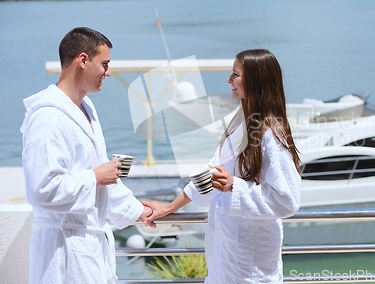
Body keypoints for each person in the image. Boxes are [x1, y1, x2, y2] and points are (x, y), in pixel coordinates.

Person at [143, 48, 302, 283]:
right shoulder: (241, 123)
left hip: (251, 262)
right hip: (225, 256)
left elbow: (287, 200)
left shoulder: (271, 135)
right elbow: (212, 177)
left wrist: (234, 187)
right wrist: (170, 207)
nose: (229, 80)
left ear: (255, 80)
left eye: (235, 74)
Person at [20, 27, 153, 284]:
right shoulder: (48, 116)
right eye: (104, 64)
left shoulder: (86, 109)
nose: (109, 72)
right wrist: (93, 177)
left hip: (87, 248)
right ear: (83, 60)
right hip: (62, 254)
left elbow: (103, 181)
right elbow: (42, 189)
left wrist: (140, 210)